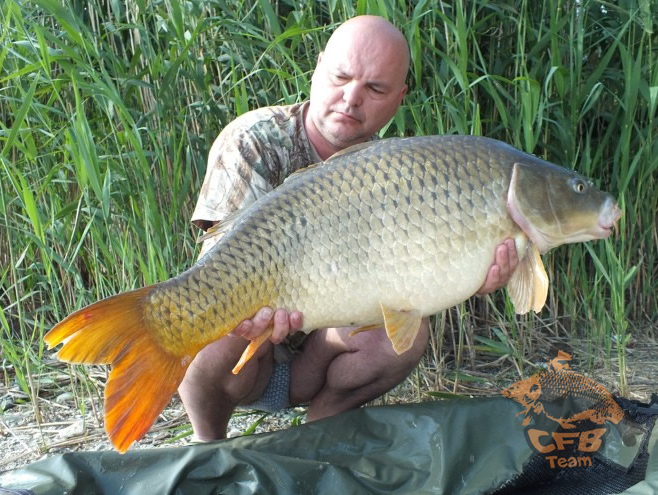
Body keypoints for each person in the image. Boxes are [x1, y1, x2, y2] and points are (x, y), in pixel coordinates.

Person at [178, 15, 518, 441]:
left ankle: (315, 439)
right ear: (317, 70)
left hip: (318, 363)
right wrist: (257, 317)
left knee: (404, 338)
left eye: (375, 89)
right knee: (210, 323)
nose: (351, 98)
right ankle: (206, 443)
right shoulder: (254, 141)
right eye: (341, 77)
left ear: (399, 98)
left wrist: (475, 271)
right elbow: (218, 270)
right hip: (248, 360)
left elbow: (411, 285)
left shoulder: (398, 171)